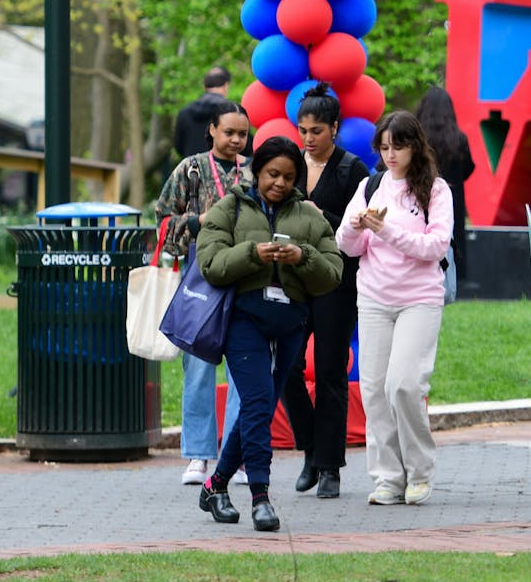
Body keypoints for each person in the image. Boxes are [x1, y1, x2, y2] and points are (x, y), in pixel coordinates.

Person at [195, 136, 344, 531]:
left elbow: (333, 271)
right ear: (257, 171)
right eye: (272, 174)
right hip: (244, 321)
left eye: (288, 176)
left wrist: (302, 256)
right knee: (259, 402)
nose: (279, 183)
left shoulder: (308, 216)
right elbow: (210, 262)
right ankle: (261, 497)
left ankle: (215, 485)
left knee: (258, 408)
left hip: (292, 322)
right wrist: (251, 253)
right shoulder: (228, 209)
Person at [335, 111, 454, 508]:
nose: (390, 155)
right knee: (373, 390)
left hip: (419, 298)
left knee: (403, 384)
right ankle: (388, 476)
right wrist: (356, 226)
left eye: (398, 146)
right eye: (384, 147)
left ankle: (420, 472)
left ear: (415, 147)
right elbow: (345, 245)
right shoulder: (371, 187)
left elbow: (435, 246)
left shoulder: (435, 191)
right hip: (372, 297)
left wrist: (386, 230)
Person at [154, 98, 250, 487]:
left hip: (246, 275)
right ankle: (198, 456)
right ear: (211, 130)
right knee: (198, 368)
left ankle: (238, 456)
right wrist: (200, 221)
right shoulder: (189, 169)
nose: (236, 140)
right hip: (200, 280)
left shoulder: (256, 170)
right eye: (229, 132)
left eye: (243, 134)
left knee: (245, 367)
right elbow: (162, 220)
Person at [281, 84, 369, 500]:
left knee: (331, 372)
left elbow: (359, 229)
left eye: (316, 130)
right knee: (286, 368)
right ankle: (311, 448)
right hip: (293, 282)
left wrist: (323, 215)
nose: (308, 138)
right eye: (303, 130)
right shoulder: (290, 167)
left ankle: (330, 466)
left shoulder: (352, 171)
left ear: (335, 128)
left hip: (335, 280)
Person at [416, 88, 476, 304]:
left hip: (421, 193)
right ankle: (450, 279)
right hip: (452, 195)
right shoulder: (458, 138)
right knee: (450, 239)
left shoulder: (418, 139)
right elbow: (469, 167)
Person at [173, 67, 232, 161]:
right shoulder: (231, 113)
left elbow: (179, 146)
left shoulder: (184, 112)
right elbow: (245, 147)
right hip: (222, 171)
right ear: (226, 86)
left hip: (192, 170)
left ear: (204, 87)